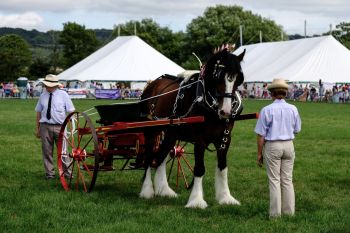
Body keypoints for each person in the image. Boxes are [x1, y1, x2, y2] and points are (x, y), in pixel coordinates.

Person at [254, 78, 301, 218]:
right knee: (287, 179)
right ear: (285, 93)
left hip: (273, 145)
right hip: (289, 144)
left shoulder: (267, 110)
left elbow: (261, 135)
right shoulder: (293, 108)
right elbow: (297, 129)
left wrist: (259, 154)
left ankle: (275, 214)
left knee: (274, 180)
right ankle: (289, 212)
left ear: (271, 93)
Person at [35, 74, 75, 179]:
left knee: (63, 151)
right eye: (47, 85)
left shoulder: (63, 95)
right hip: (45, 126)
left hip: (60, 126)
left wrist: (71, 126)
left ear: (56, 85)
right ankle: (49, 174)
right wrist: (38, 127)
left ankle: (68, 173)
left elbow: (71, 111)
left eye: (50, 85)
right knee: (47, 151)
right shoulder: (42, 95)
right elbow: (38, 112)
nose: (48, 87)